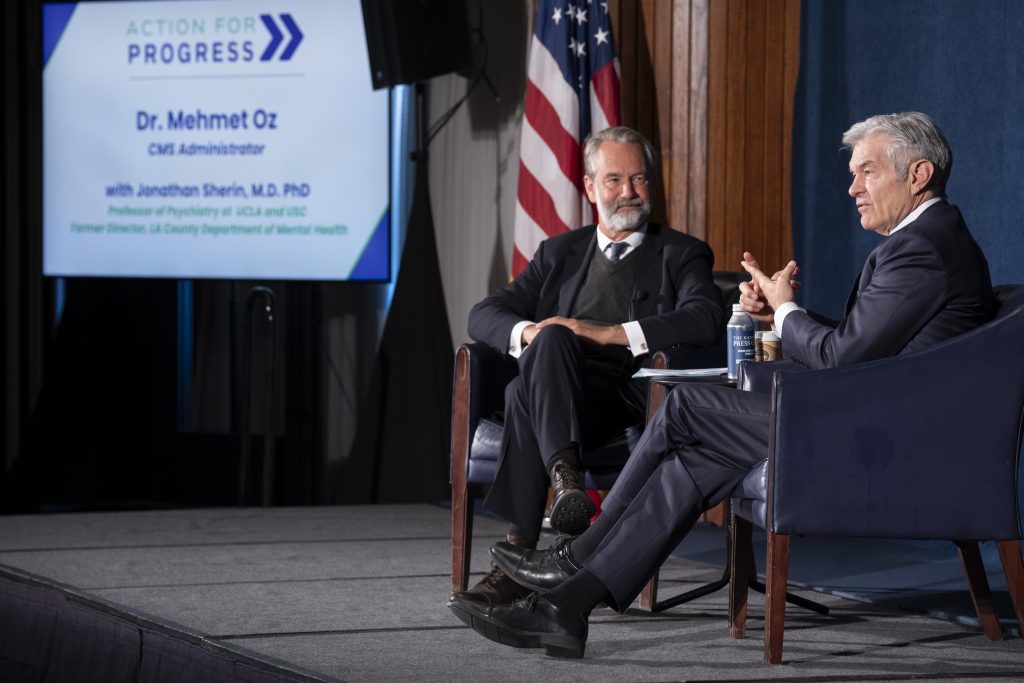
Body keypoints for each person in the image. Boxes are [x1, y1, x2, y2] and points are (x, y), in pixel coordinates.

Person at [449, 111, 994, 658]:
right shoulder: (923, 241)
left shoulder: (922, 248)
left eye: (867, 172)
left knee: (685, 409)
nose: (852, 187)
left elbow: (844, 356)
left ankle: (574, 554)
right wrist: (776, 319)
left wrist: (787, 313)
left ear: (918, 173)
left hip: (885, 437)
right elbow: (862, 344)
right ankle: (564, 609)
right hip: (869, 417)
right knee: (696, 460)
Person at [456, 126, 725, 607]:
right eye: (615, 180)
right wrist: (531, 334)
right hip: (559, 387)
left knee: (525, 391)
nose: (628, 192)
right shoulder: (559, 252)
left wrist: (608, 332)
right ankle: (565, 484)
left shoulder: (681, 253)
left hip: (624, 395)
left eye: (639, 180)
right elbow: (484, 314)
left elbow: (705, 318)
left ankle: (517, 557)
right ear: (589, 187)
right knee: (544, 351)